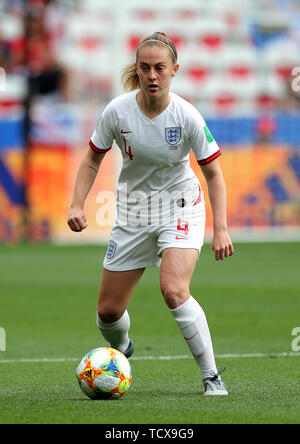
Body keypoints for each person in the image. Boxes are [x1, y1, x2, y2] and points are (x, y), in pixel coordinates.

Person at [67, 32, 234, 396]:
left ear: (174, 70)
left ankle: (211, 377)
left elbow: (214, 173)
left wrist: (220, 228)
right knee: (108, 313)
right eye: (145, 68)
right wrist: (77, 204)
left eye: (160, 68)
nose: (152, 75)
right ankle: (123, 347)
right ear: (137, 71)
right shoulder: (117, 111)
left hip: (180, 208)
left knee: (174, 290)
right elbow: (92, 158)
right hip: (134, 214)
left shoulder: (186, 115)